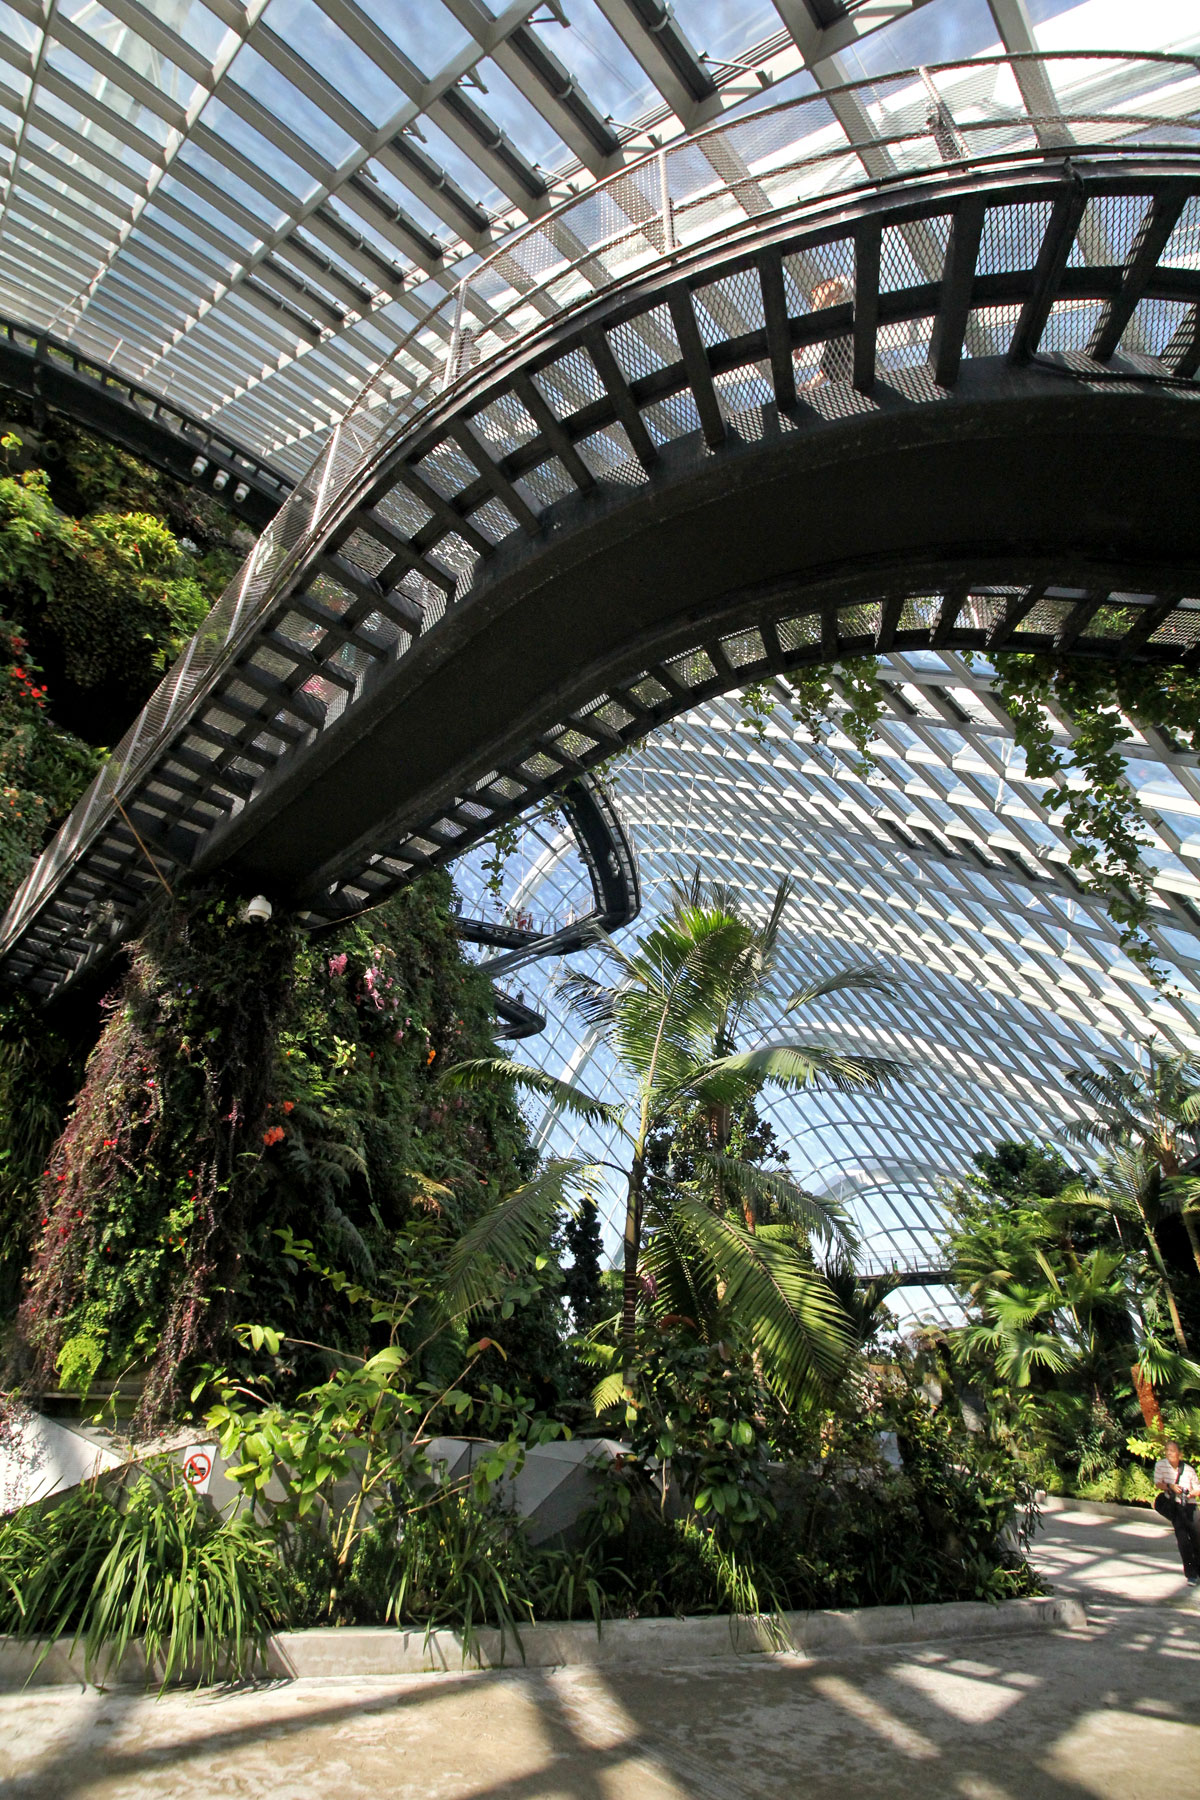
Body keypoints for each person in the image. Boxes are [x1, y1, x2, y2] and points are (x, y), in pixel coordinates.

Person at [1153, 1440, 1200, 1585]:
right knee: (1183, 1541)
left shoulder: (1189, 1470)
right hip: (1175, 1506)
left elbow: (1198, 1489)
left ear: (1179, 1454)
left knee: (1198, 1539)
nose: (1169, 1453)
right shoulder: (1161, 1465)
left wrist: (1190, 1494)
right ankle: (1191, 1574)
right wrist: (1170, 1486)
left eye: (1172, 1451)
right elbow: (1157, 1483)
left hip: (1190, 1506)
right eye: (1167, 1450)